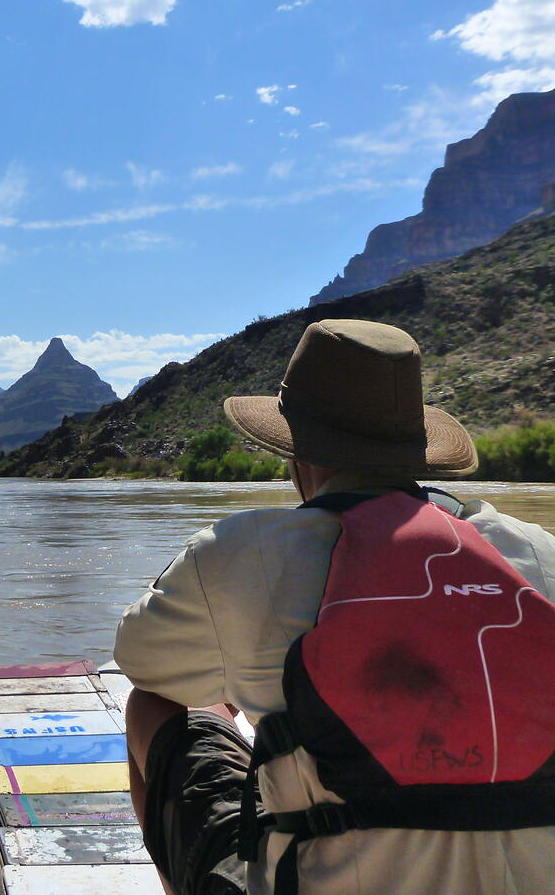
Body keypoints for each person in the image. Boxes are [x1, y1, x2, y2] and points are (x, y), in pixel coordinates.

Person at [113, 318, 555, 895]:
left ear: (298, 457)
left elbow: (139, 660)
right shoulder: (538, 551)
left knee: (153, 704)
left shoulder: (242, 554)